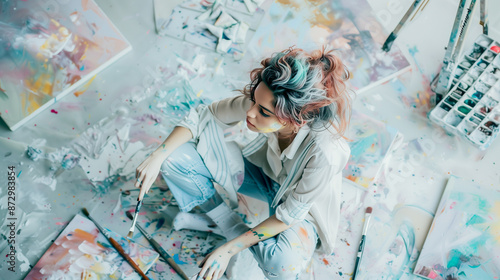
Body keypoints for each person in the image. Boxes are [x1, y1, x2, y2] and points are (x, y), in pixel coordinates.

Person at [135, 46, 352, 280]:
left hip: (303, 210)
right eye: (253, 101)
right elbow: (203, 116)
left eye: (264, 113)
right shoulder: (263, 102)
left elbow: (288, 216)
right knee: (172, 158)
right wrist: (156, 156)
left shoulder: (327, 152)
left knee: (282, 266)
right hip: (265, 177)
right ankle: (228, 226)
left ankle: (233, 239)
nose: (250, 113)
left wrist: (228, 251)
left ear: (297, 119)